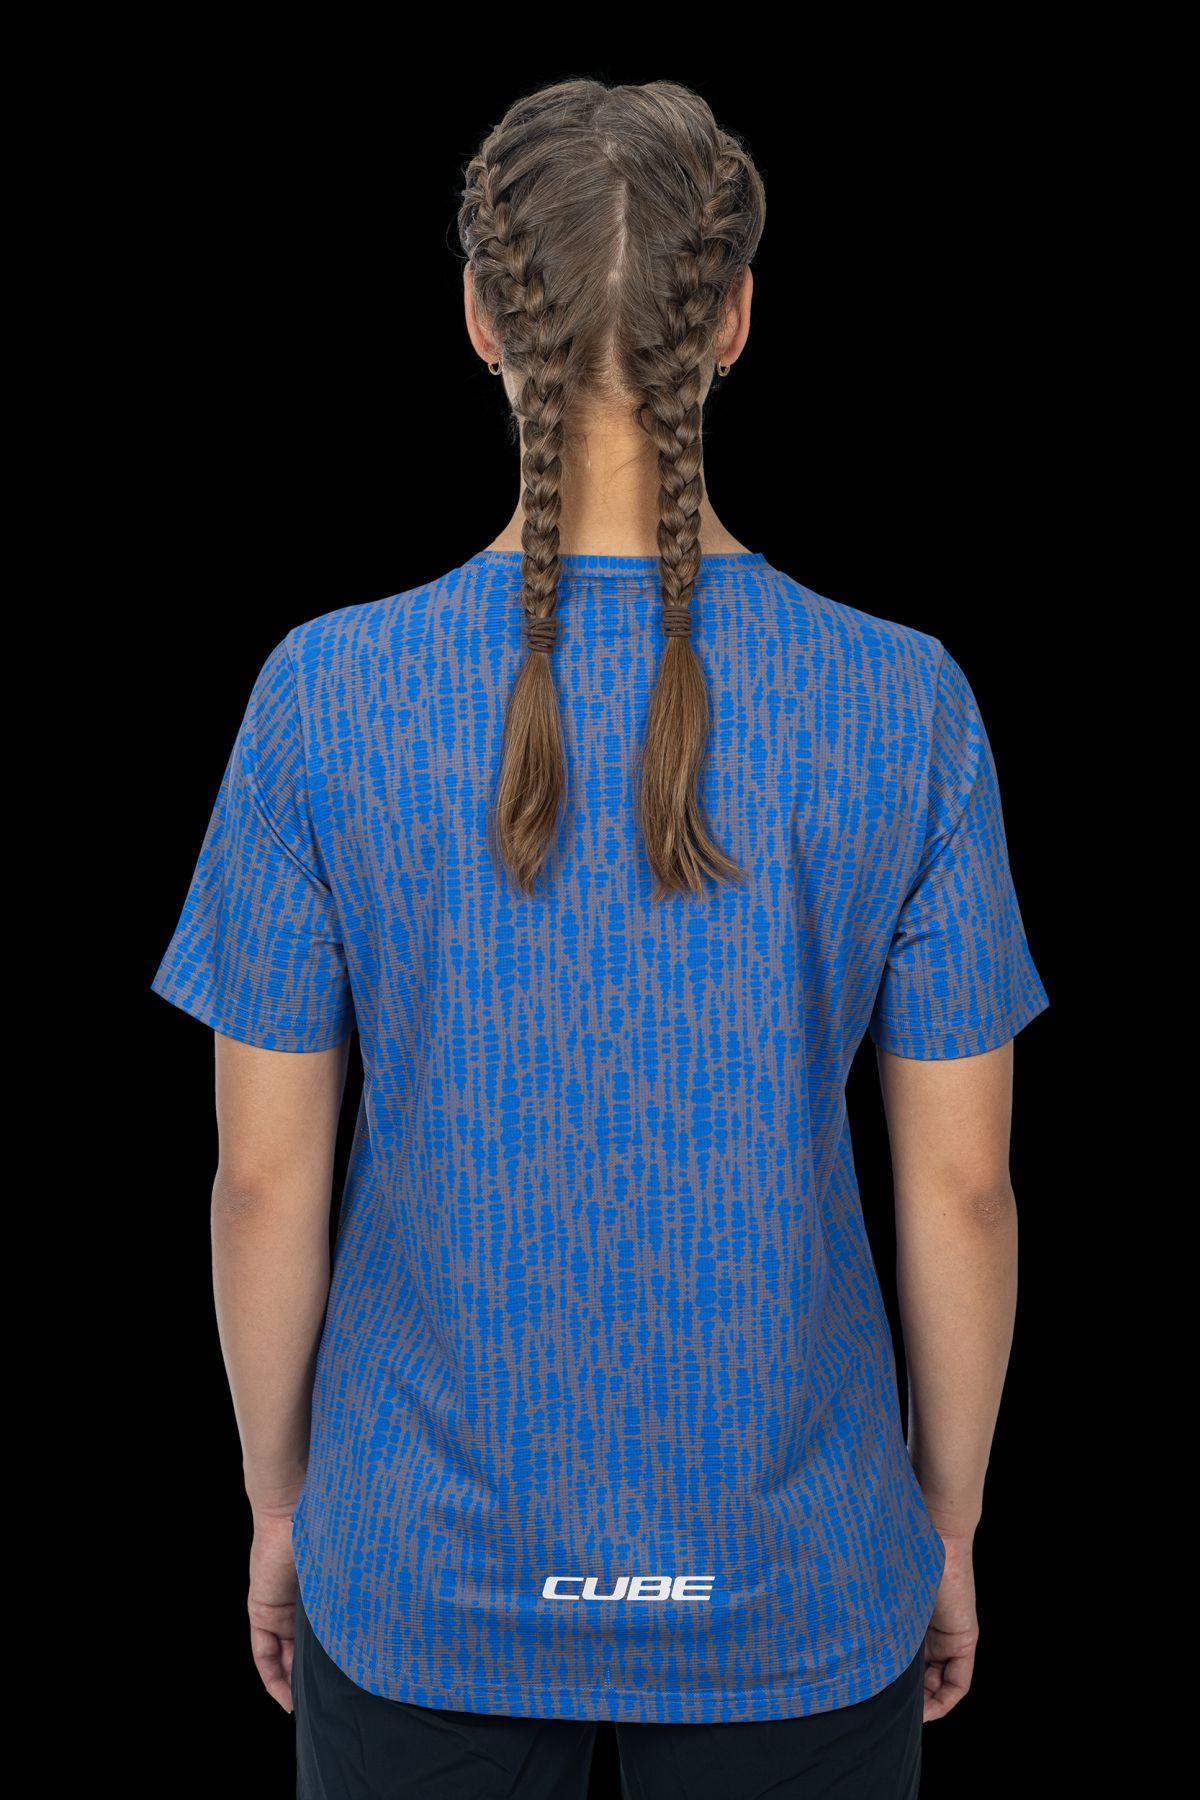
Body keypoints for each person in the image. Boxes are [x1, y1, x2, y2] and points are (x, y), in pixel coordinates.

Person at [151, 78, 1049, 1800]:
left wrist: (279, 1508)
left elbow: (259, 1184)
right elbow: (962, 1190)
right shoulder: (905, 703)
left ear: (482, 317)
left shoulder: (323, 696)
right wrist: (948, 1526)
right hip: (797, 1580)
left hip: (420, 1575)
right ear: (736, 317)